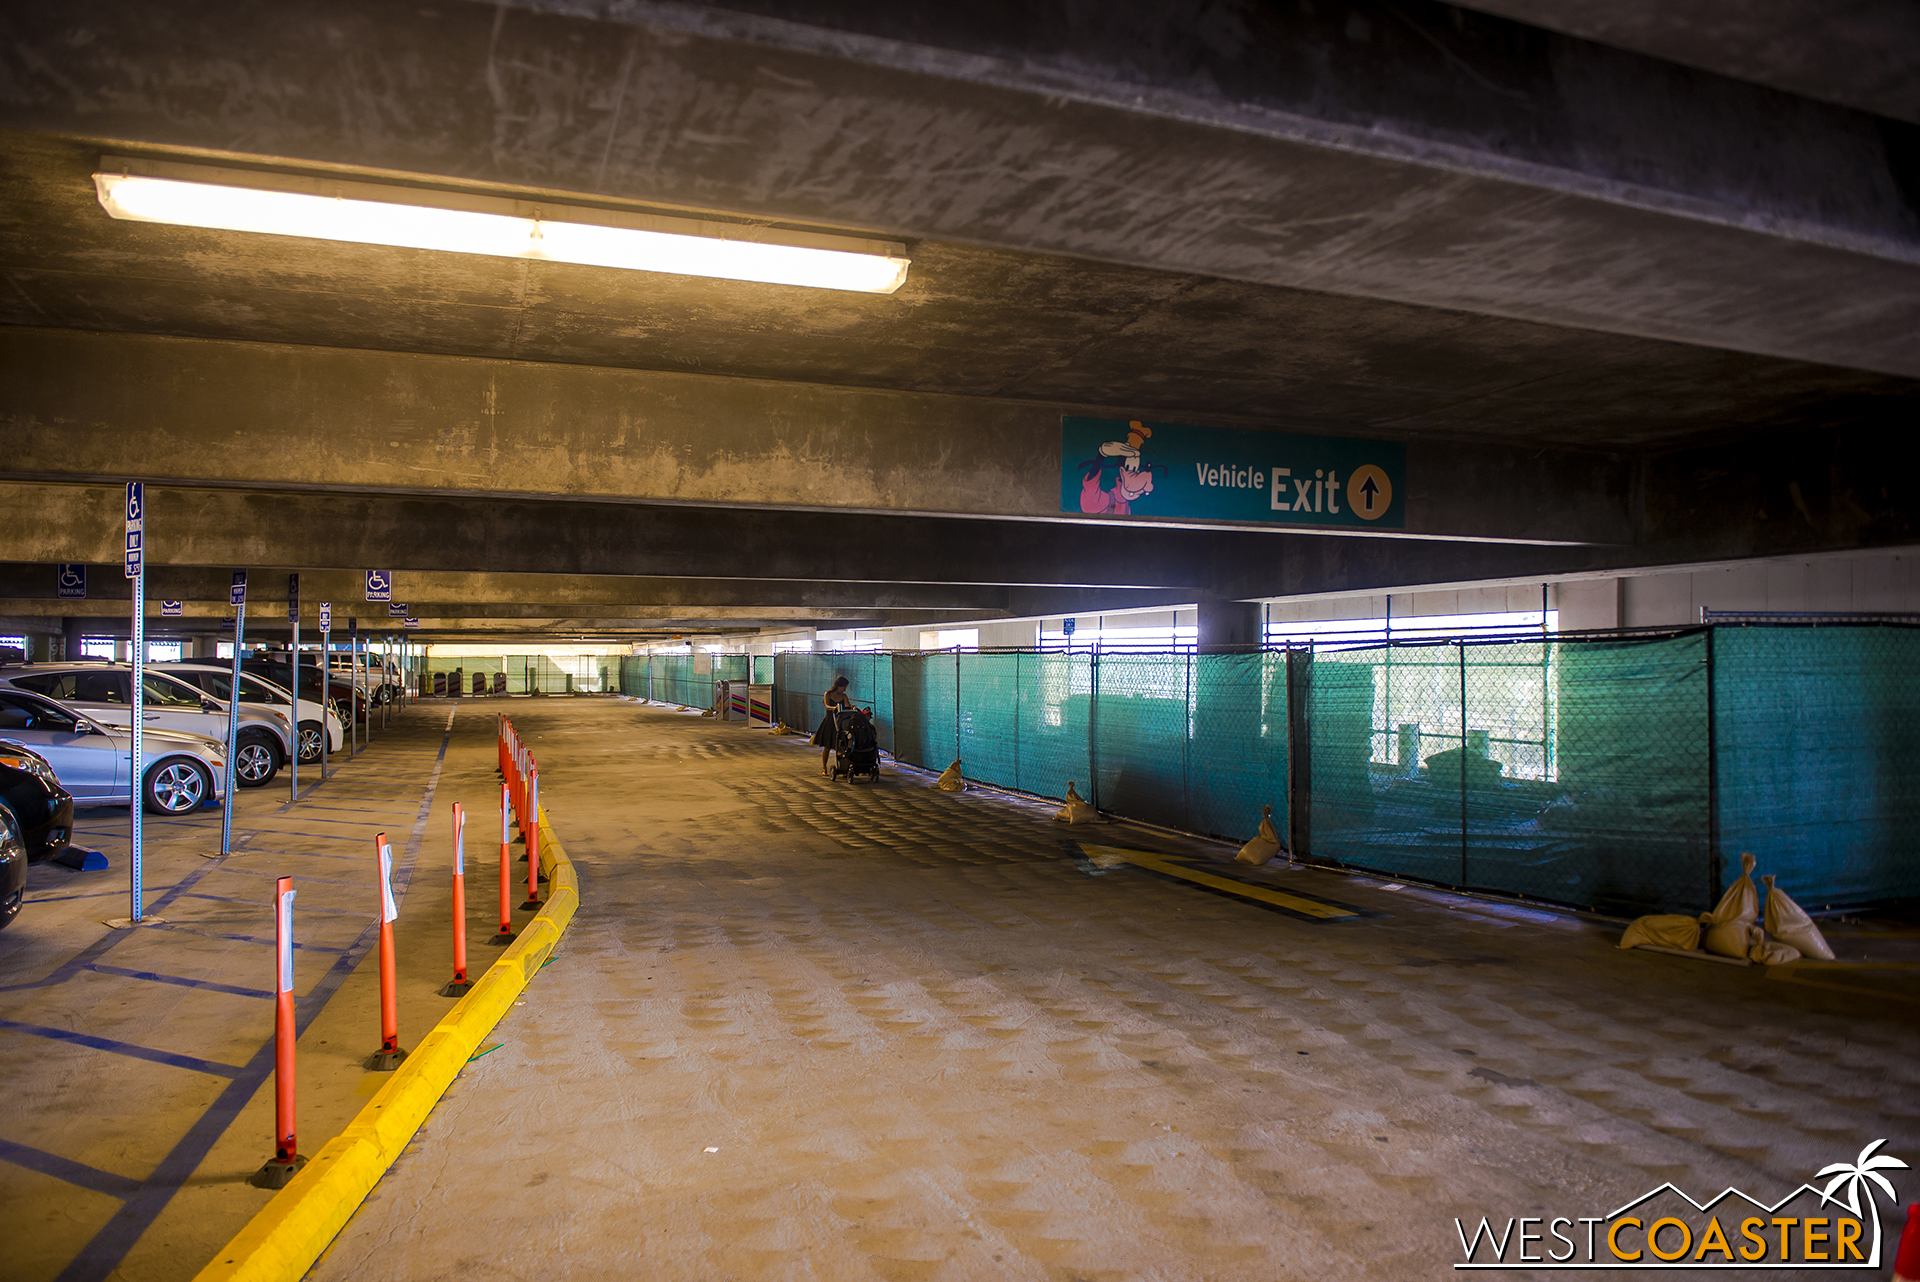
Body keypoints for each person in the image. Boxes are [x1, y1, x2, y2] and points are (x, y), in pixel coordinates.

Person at [811, 675, 854, 776]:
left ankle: (843, 768)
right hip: (830, 722)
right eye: (843, 687)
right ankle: (824, 768)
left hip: (840, 723)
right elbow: (827, 706)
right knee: (827, 746)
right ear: (838, 686)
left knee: (841, 747)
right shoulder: (828, 694)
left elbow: (848, 705)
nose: (844, 689)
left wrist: (851, 707)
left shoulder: (844, 696)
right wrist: (835, 707)